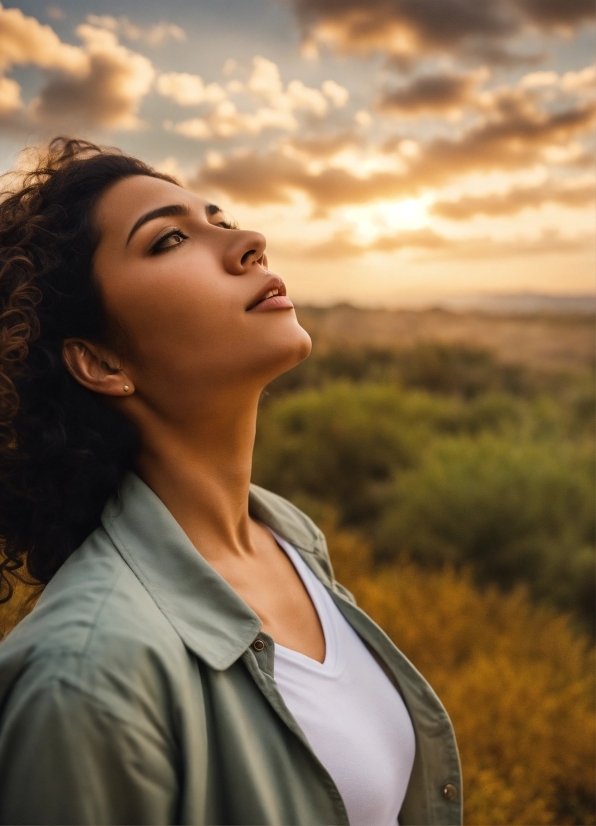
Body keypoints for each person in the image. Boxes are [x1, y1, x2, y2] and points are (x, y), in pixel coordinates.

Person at [0, 137, 461, 826]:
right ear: (97, 361)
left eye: (220, 218)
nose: (250, 241)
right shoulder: (85, 679)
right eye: (170, 239)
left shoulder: (288, 541)